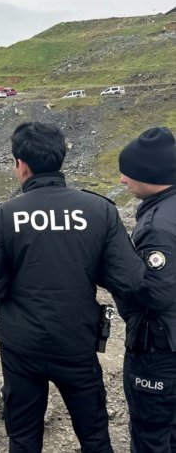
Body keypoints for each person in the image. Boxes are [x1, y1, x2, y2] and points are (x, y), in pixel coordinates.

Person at [0, 121, 145, 453]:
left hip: (21, 347)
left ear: (21, 164)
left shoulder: (5, 216)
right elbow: (131, 279)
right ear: (61, 157)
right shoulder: (100, 210)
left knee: (23, 438)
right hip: (77, 342)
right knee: (95, 437)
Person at [115, 126, 176, 452]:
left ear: (150, 175)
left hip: (159, 350)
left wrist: (116, 273)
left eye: (129, 173)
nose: (123, 180)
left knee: (152, 436)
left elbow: (155, 293)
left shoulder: (156, 228)